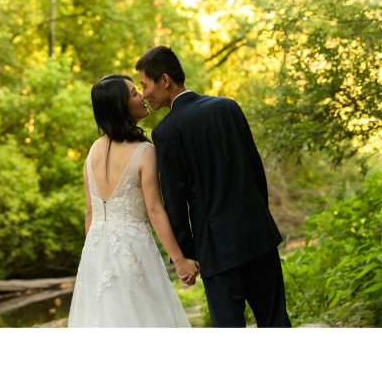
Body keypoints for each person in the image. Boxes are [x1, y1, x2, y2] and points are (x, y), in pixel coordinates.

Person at [136, 45, 291, 328]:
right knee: (276, 321)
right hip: (258, 237)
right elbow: (257, 171)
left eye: (145, 85)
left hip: (216, 250)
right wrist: (260, 219)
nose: (144, 93)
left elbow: (174, 201)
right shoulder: (228, 107)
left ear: (165, 80)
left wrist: (187, 256)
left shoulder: (166, 133)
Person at [67, 74, 198, 327]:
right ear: (121, 107)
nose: (143, 96)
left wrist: (93, 259)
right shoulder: (145, 151)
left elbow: (90, 214)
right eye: (134, 93)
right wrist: (180, 260)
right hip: (133, 252)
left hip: (95, 255)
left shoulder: (92, 152)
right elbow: (155, 210)